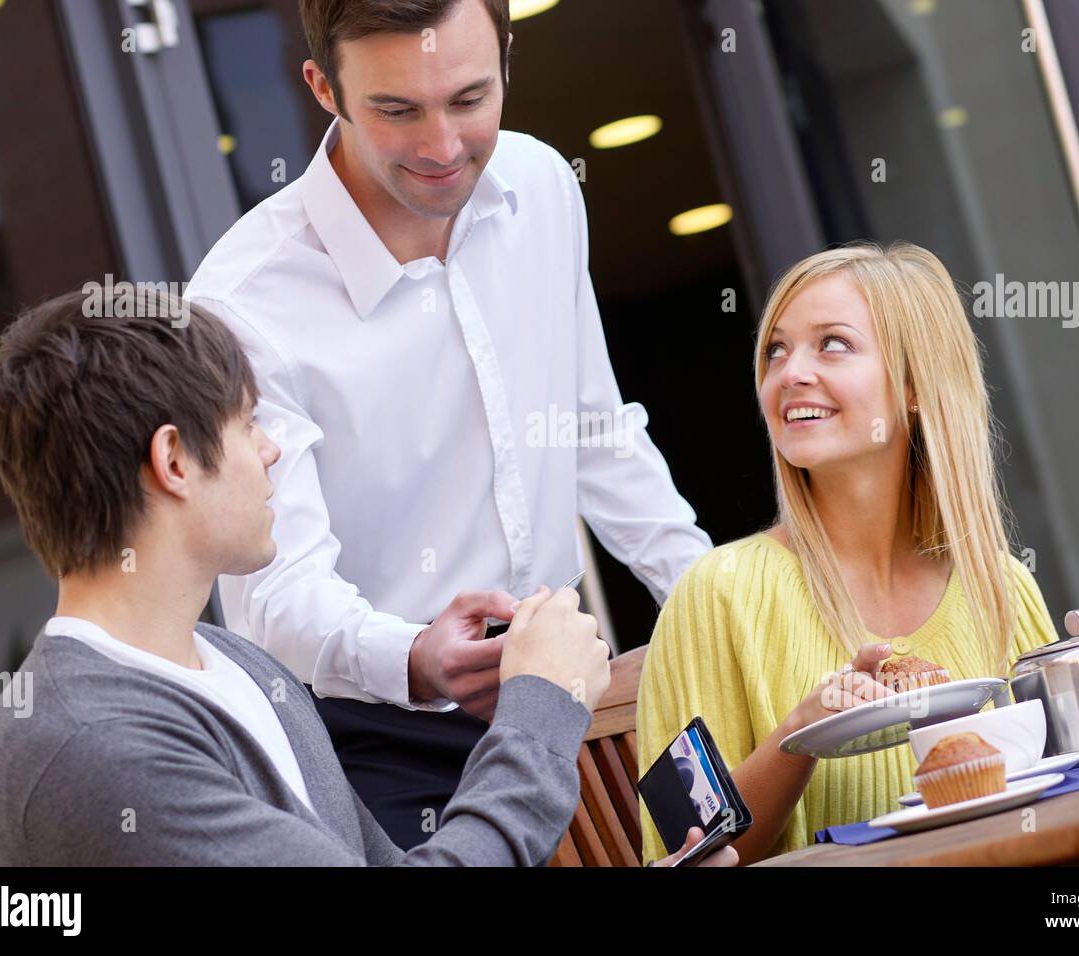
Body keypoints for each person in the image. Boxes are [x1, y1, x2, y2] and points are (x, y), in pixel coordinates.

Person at [185, 0, 710, 848]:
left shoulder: (540, 185)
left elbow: (593, 430)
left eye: (470, 100)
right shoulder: (243, 301)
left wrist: (711, 597)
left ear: (507, 57)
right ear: (324, 87)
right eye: (397, 111)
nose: (441, 147)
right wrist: (417, 657)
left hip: (576, 694)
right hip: (378, 746)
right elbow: (274, 595)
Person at [0, 289, 731, 866]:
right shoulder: (86, 745)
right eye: (247, 425)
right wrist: (541, 709)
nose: (271, 452)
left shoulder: (236, 664)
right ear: (173, 461)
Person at [636, 242, 1059, 864]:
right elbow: (684, 854)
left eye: (831, 343)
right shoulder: (717, 594)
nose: (790, 373)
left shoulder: (1000, 585)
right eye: (776, 350)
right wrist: (801, 732)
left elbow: (1069, 793)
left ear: (914, 386)